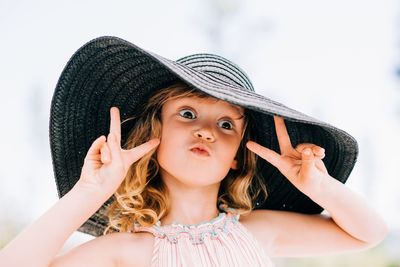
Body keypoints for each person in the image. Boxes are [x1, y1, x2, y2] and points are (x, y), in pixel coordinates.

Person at [0, 36, 388, 267]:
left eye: (226, 124)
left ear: (237, 155)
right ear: (155, 136)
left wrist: (320, 188)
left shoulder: (259, 230)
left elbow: (368, 234)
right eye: (187, 113)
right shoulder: (124, 252)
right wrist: (87, 193)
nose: (206, 130)